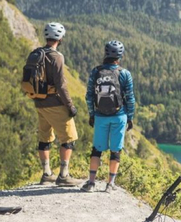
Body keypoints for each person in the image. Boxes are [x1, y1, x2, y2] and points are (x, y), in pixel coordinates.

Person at [26, 22, 78, 185]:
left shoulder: (36, 53)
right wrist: (70, 106)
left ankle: (47, 173)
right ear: (60, 38)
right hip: (55, 103)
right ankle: (63, 175)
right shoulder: (57, 57)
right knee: (68, 139)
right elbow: (61, 85)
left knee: (45, 138)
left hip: (39, 102)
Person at [82, 40, 135, 192]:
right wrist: (130, 117)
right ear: (120, 55)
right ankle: (110, 184)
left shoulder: (96, 71)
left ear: (105, 53)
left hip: (100, 116)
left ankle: (91, 183)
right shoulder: (124, 73)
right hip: (119, 116)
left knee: (96, 150)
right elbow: (130, 98)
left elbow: (89, 96)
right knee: (115, 150)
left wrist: (92, 114)